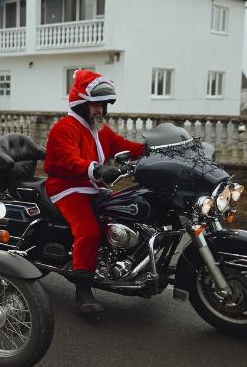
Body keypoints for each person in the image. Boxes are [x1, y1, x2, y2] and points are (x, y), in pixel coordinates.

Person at [44, 70, 146, 314]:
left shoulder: (100, 129)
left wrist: (152, 150)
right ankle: (83, 290)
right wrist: (97, 169)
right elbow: (69, 160)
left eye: (103, 105)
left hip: (92, 187)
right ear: (82, 105)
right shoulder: (64, 128)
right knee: (88, 230)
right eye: (95, 105)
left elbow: (125, 146)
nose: (100, 110)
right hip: (67, 188)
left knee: (124, 214)